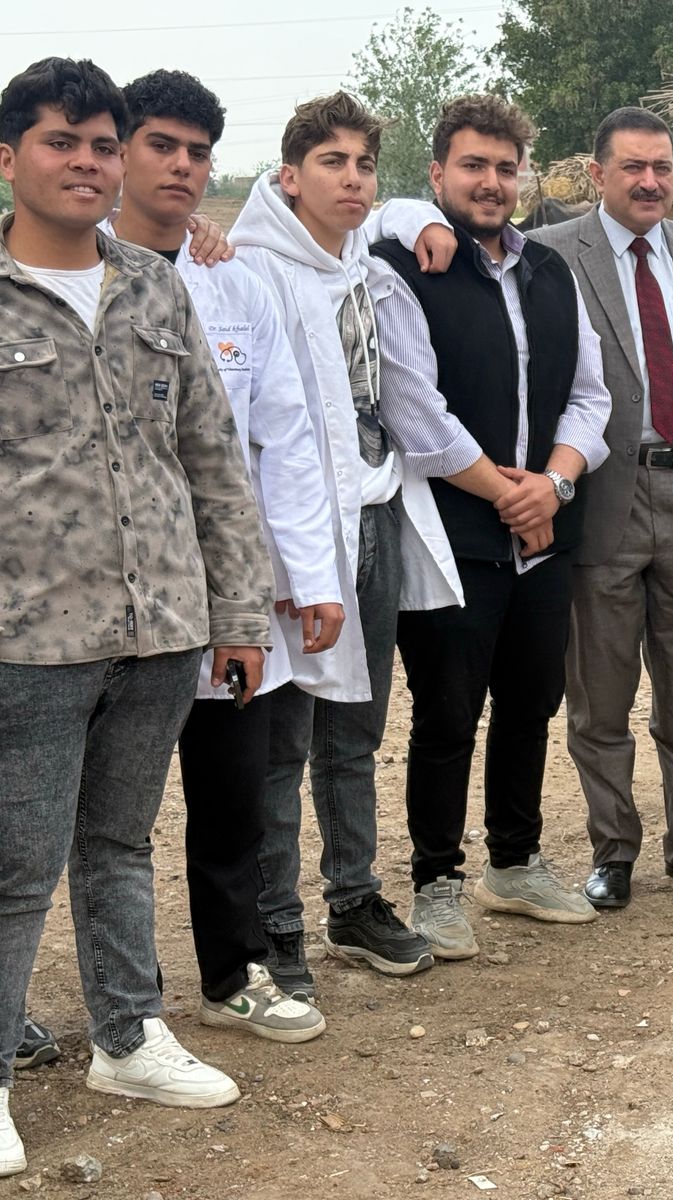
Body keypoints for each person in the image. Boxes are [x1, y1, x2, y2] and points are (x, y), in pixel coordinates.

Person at [0, 57, 275, 1175]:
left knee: (117, 843)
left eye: (102, 144)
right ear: (9, 157)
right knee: (15, 866)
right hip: (27, 636)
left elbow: (212, 456)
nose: (87, 162)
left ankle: (127, 1036)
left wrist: (239, 610)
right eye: (60, 140)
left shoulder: (155, 287)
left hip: (160, 625)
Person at [114, 69, 337, 1038]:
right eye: (160, 145)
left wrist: (310, 577)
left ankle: (233, 971)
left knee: (232, 793)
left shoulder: (235, 283)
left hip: (225, 591)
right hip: (108, 592)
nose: (181, 167)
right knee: (91, 815)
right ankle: (86, 1004)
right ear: (118, 150)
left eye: (198, 152)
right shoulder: (71, 275)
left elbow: (284, 442)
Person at [367, 94, 612, 957]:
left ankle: (514, 862)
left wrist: (554, 485)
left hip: (545, 533)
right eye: (473, 165)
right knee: (447, 714)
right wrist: (508, 496)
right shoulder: (402, 267)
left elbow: (590, 395)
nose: (492, 182)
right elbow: (413, 409)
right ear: (437, 173)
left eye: (506, 168)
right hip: (451, 535)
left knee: (531, 703)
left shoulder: (550, 272)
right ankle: (436, 882)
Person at [230, 92, 462, 993]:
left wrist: (416, 212)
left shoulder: (362, 260)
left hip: (375, 516)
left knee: (356, 729)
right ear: (289, 177)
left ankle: (354, 900)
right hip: (295, 537)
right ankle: (273, 924)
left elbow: (396, 212)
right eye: (333, 163)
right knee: (282, 742)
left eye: (365, 164)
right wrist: (279, 560)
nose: (354, 180)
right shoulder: (250, 271)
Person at [529, 107, 673, 910]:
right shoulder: (551, 253)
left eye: (662, 167)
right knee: (601, 691)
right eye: (633, 168)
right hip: (600, 499)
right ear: (597, 174)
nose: (651, 182)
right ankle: (613, 849)